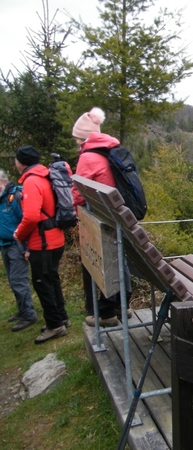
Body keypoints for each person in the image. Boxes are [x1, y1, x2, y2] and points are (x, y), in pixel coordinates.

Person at [71, 107, 132, 327]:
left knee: (106, 261)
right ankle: (122, 306)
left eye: (77, 138)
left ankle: (106, 313)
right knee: (119, 257)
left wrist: (72, 206)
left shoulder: (88, 156)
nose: (76, 143)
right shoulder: (109, 149)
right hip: (119, 213)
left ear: (84, 137)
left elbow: (78, 191)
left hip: (103, 216)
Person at [13, 145, 69, 344]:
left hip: (42, 242)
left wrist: (19, 235)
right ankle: (61, 317)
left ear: (21, 162)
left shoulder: (32, 182)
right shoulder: (46, 175)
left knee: (42, 283)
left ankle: (55, 326)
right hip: (56, 238)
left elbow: (30, 216)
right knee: (52, 279)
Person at [0, 170, 39, 331]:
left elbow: (28, 221)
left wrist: (28, 248)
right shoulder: (2, 199)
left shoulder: (14, 197)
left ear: (2, 182)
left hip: (18, 245)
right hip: (5, 244)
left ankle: (28, 315)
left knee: (18, 280)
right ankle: (22, 310)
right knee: (12, 279)